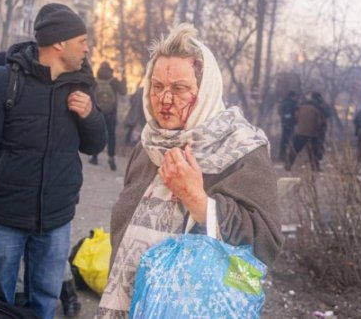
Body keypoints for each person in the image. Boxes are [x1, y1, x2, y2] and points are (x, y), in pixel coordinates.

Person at [97, 23, 283, 318]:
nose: (165, 100)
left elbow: (266, 247)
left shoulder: (243, 150)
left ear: (206, 90)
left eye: (180, 89)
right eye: (157, 87)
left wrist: (199, 202)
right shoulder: (149, 144)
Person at [0, 6, 106, 319]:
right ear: (59, 43)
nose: (87, 47)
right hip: (4, 221)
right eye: (82, 40)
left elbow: (95, 144)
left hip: (55, 221)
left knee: (46, 303)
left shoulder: (80, 85)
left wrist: (90, 115)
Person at [89, 61, 127, 170]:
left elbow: (90, 94)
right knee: (111, 135)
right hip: (111, 113)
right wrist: (123, 78)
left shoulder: (95, 81)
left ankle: (95, 156)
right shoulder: (113, 81)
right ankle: (111, 158)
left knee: (97, 132)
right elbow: (123, 92)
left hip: (98, 112)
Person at [285, 97, 326, 172]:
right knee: (313, 152)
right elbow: (320, 122)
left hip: (300, 132)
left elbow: (296, 118)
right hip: (313, 134)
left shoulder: (300, 109)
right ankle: (315, 167)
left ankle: (288, 165)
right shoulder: (316, 110)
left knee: (295, 150)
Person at [278, 91, 298, 161]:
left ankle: (282, 154)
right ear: (293, 96)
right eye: (295, 97)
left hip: (285, 123)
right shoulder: (290, 103)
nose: (296, 98)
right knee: (287, 139)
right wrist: (290, 120)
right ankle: (283, 155)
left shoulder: (284, 102)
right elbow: (288, 114)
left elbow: (281, 112)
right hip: (289, 124)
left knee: (284, 139)